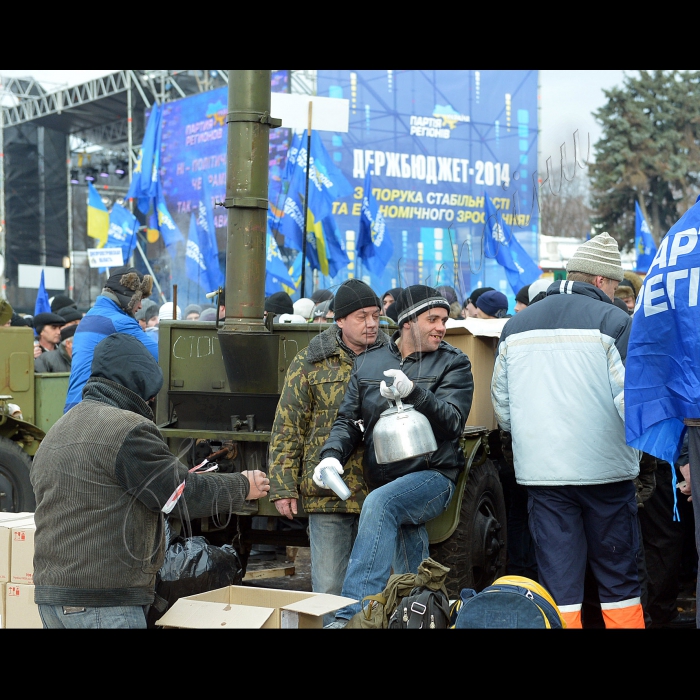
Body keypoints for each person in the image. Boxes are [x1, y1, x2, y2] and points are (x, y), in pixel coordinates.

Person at [30, 333, 269, 629]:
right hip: (105, 601)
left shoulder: (59, 429)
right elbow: (181, 495)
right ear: (139, 385)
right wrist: (242, 486)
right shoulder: (128, 429)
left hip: (52, 596)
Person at [491, 232, 645, 628]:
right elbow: (633, 403)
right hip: (607, 475)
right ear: (599, 281)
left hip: (543, 478)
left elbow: (503, 408)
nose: (614, 293)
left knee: (559, 586)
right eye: (613, 284)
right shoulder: (615, 322)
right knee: (619, 583)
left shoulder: (515, 326)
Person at [319, 284, 474, 628]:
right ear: (407, 323)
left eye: (444, 320)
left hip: (434, 476)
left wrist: (415, 393)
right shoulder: (368, 362)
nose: (441, 327)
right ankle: (421, 615)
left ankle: (351, 617)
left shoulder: (454, 362)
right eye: (432, 319)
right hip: (388, 477)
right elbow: (350, 421)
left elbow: (452, 423)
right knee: (412, 568)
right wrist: (331, 456)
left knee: (381, 505)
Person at [268, 279, 388, 623]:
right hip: (328, 494)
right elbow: (288, 426)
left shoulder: (391, 356)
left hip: (381, 493)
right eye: (362, 316)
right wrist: (283, 487)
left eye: (375, 316)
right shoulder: (310, 362)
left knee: (380, 591)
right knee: (329, 592)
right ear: (339, 320)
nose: (371, 324)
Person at [64, 265, 158, 413]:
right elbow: (161, 356)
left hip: (73, 407)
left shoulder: (90, 316)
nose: (140, 306)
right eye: (139, 299)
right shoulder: (120, 322)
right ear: (127, 295)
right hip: (95, 411)